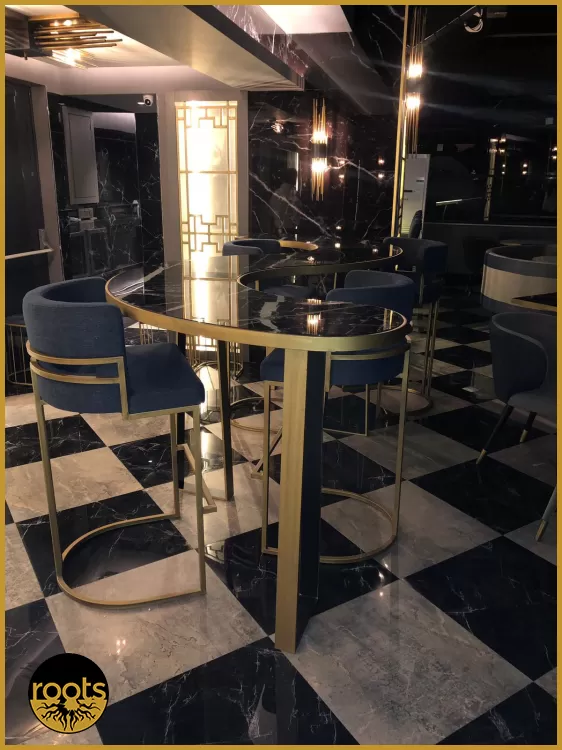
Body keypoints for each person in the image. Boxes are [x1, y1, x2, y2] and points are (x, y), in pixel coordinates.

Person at [268, 167, 302, 235]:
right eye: (294, 177)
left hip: (286, 230)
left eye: (295, 177)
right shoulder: (279, 194)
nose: (295, 179)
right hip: (282, 231)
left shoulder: (292, 194)